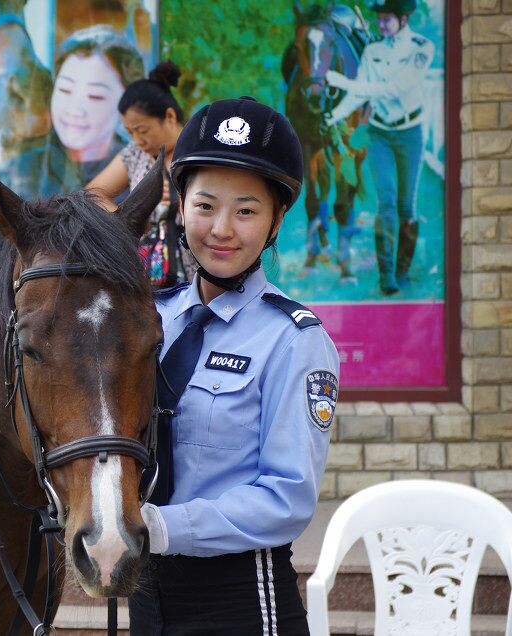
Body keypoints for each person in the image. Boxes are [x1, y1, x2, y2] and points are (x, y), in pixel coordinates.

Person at [131, 97, 340, 635]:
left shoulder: (293, 340)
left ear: (276, 221)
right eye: (205, 205)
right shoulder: (149, 320)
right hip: (144, 593)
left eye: (246, 210)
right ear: (180, 207)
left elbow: (287, 498)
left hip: (240, 600)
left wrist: (160, 525)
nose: (222, 228)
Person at [324, 0, 433, 295]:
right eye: (380, 19)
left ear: (403, 19)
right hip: (381, 133)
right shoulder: (373, 51)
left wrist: (344, 83)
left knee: (405, 204)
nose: (381, 25)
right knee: (384, 203)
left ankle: (403, 271)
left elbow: (395, 88)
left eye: (387, 20)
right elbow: (361, 92)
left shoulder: (422, 47)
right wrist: (334, 114)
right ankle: (387, 276)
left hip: (411, 133)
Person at [87, 60, 187, 288]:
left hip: (195, 268)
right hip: (147, 270)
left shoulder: (198, 150)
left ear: (169, 117)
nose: (137, 140)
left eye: (142, 130)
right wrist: (130, 215)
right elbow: (91, 196)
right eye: (130, 132)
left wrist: (178, 203)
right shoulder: (134, 154)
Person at [50, 25, 145, 183]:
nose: (74, 110)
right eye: (64, 90)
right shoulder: (23, 170)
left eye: (95, 96)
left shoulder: (143, 178)